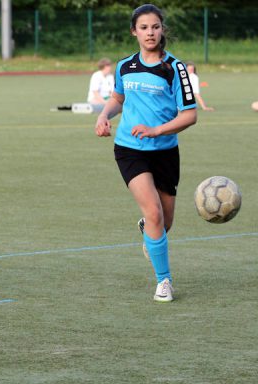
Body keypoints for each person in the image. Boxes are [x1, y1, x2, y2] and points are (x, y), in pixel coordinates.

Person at [95, 4, 197, 303]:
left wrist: (157, 130)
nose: (150, 32)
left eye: (155, 27)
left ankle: (149, 229)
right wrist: (104, 116)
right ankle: (164, 281)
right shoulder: (125, 65)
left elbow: (189, 116)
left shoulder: (174, 68)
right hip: (130, 149)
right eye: (144, 28)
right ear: (134, 32)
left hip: (165, 151)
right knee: (153, 212)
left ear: (161, 29)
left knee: (164, 223)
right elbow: (118, 97)